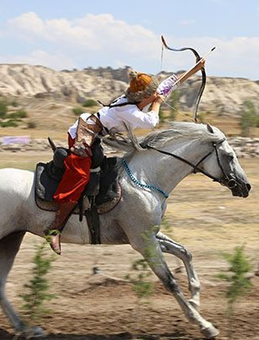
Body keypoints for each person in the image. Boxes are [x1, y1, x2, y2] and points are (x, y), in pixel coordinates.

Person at [46, 60, 206, 255]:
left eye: (156, 93)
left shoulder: (137, 101)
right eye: (153, 93)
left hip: (93, 135)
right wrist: (156, 103)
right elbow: (151, 122)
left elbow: (168, 85)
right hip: (83, 135)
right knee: (79, 178)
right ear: (145, 96)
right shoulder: (129, 110)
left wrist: (195, 69)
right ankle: (55, 228)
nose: (158, 94)